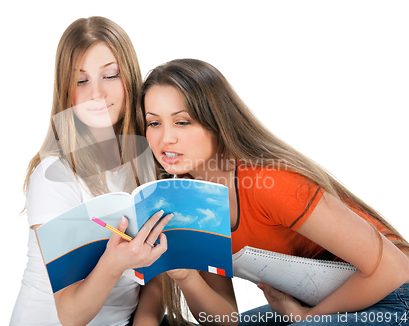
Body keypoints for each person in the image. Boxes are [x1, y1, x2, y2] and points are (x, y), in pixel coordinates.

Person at [136, 58, 409, 325]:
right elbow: (225, 321)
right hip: (320, 301)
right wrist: (186, 276)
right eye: (154, 123)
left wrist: (308, 317)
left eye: (182, 122)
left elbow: (394, 268)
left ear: (218, 122)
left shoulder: (268, 182)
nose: (165, 139)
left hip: (393, 294)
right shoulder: (188, 197)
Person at [10, 16, 179, 326]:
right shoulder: (53, 175)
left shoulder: (151, 160)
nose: (96, 93)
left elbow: (158, 271)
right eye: (80, 80)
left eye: (110, 75)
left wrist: (146, 322)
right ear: (66, 93)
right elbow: (71, 315)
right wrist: (113, 264)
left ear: (129, 79)